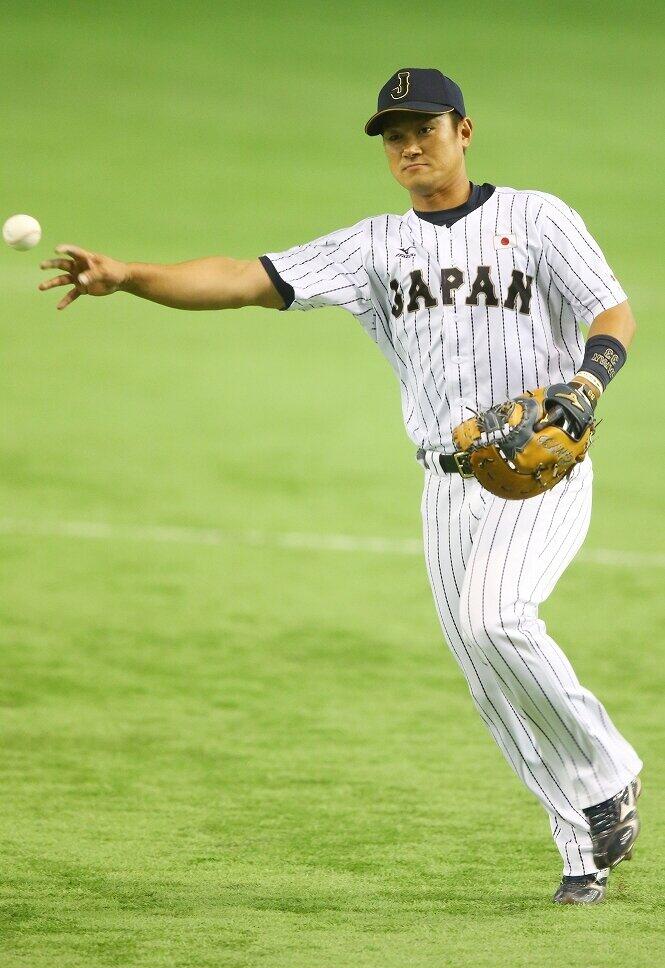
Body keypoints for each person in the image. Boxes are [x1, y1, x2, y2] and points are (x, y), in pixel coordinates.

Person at [39, 67, 642, 905]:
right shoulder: (371, 249)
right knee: (486, 674)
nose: (407, 147)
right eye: (393, 136)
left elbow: (610, 313)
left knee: (495, 615)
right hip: (445, 484)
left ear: (462, 132)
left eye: (422, 130)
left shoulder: (536, 219)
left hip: (542, 465)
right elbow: (246, 278)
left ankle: (609, 776)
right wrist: (130, 274)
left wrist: (584, 387)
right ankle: (583, 840)